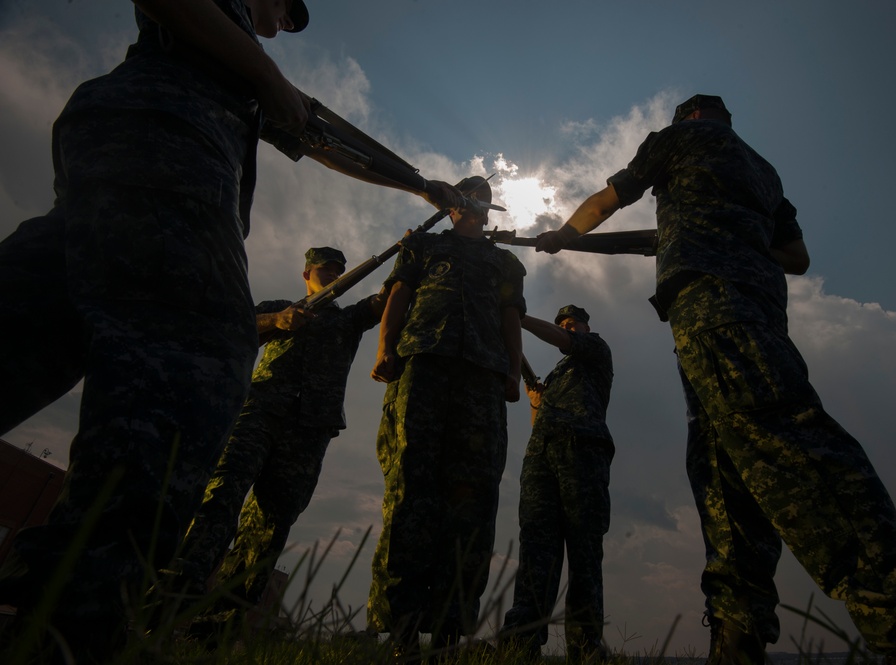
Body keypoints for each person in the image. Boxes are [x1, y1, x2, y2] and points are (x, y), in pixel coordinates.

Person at [0, 2, 459, 661]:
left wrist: (419, 185)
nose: (280, 26)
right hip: (168, 142)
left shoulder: (238, 58)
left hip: (127, 143)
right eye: (281, 10)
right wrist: (268, 78)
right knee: (199, 349)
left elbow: (318, 126)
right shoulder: (225, 37)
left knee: (42, 313)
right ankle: (74, 615)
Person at [535, 94, 896, 665]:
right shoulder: (766, 172)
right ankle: (737, 636)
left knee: (784, 442)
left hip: (714, 304)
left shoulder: (676, 140)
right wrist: (734, 234)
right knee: (722, 469)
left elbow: (612, 198)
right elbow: (798, 257)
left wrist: (564, 235)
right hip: (749, 307)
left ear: (687, 119)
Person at [174, 246, 385, 622]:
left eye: (338, 270)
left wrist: (409, 252)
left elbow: (385, 299)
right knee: (222, 492)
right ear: (307, 273)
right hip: (260, 410)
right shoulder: (282, 305)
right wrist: (278, 319)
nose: (333, 274)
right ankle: (175, 592)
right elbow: (235, 328)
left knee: (273, 520)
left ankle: (222, 619)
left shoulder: (348, 319)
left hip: (311, 426)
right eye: (325, 269)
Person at [367, 176, 526, 658]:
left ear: (489, 208)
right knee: (411, 487)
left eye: (482, 197)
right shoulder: (421, 245)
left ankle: (452, 628)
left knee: (473, 497)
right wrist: (384, 347)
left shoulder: (505, 261)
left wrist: (513, 373)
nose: (474, 203)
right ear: (452, 205)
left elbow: (510, 318)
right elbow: (400, 294)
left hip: (482, 376)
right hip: (425, 365)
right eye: (466, 195)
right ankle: (400, 629)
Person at [500, 305, 614, 662]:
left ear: (585, 325)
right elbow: (539, 424)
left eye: (573, 322)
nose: (567, 326)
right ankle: (520, 643)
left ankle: (585, 646)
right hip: (541, 457)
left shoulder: (596, 349)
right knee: (537, 550)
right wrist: (537, 403)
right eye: (562, 322)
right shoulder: (558, 373)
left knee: (583, 549)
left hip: (582, 450)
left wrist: (519, 318)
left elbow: (564, 340)